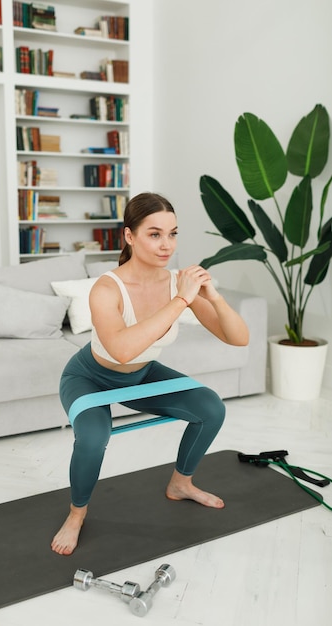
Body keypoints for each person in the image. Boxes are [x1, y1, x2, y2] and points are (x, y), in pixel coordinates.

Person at [51, 192, 249, 556]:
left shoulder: (178, 283)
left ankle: (181, 483)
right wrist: (182, 300)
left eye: (173, 234)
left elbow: (239, 338)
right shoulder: (106, 288)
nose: (166, 245)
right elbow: (122, 349)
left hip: (142, 375)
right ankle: (77, 513)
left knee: (210, 407)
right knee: (94, 437)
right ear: (129, 236)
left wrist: (213, 296)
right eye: (155, 234)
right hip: (90, 376)